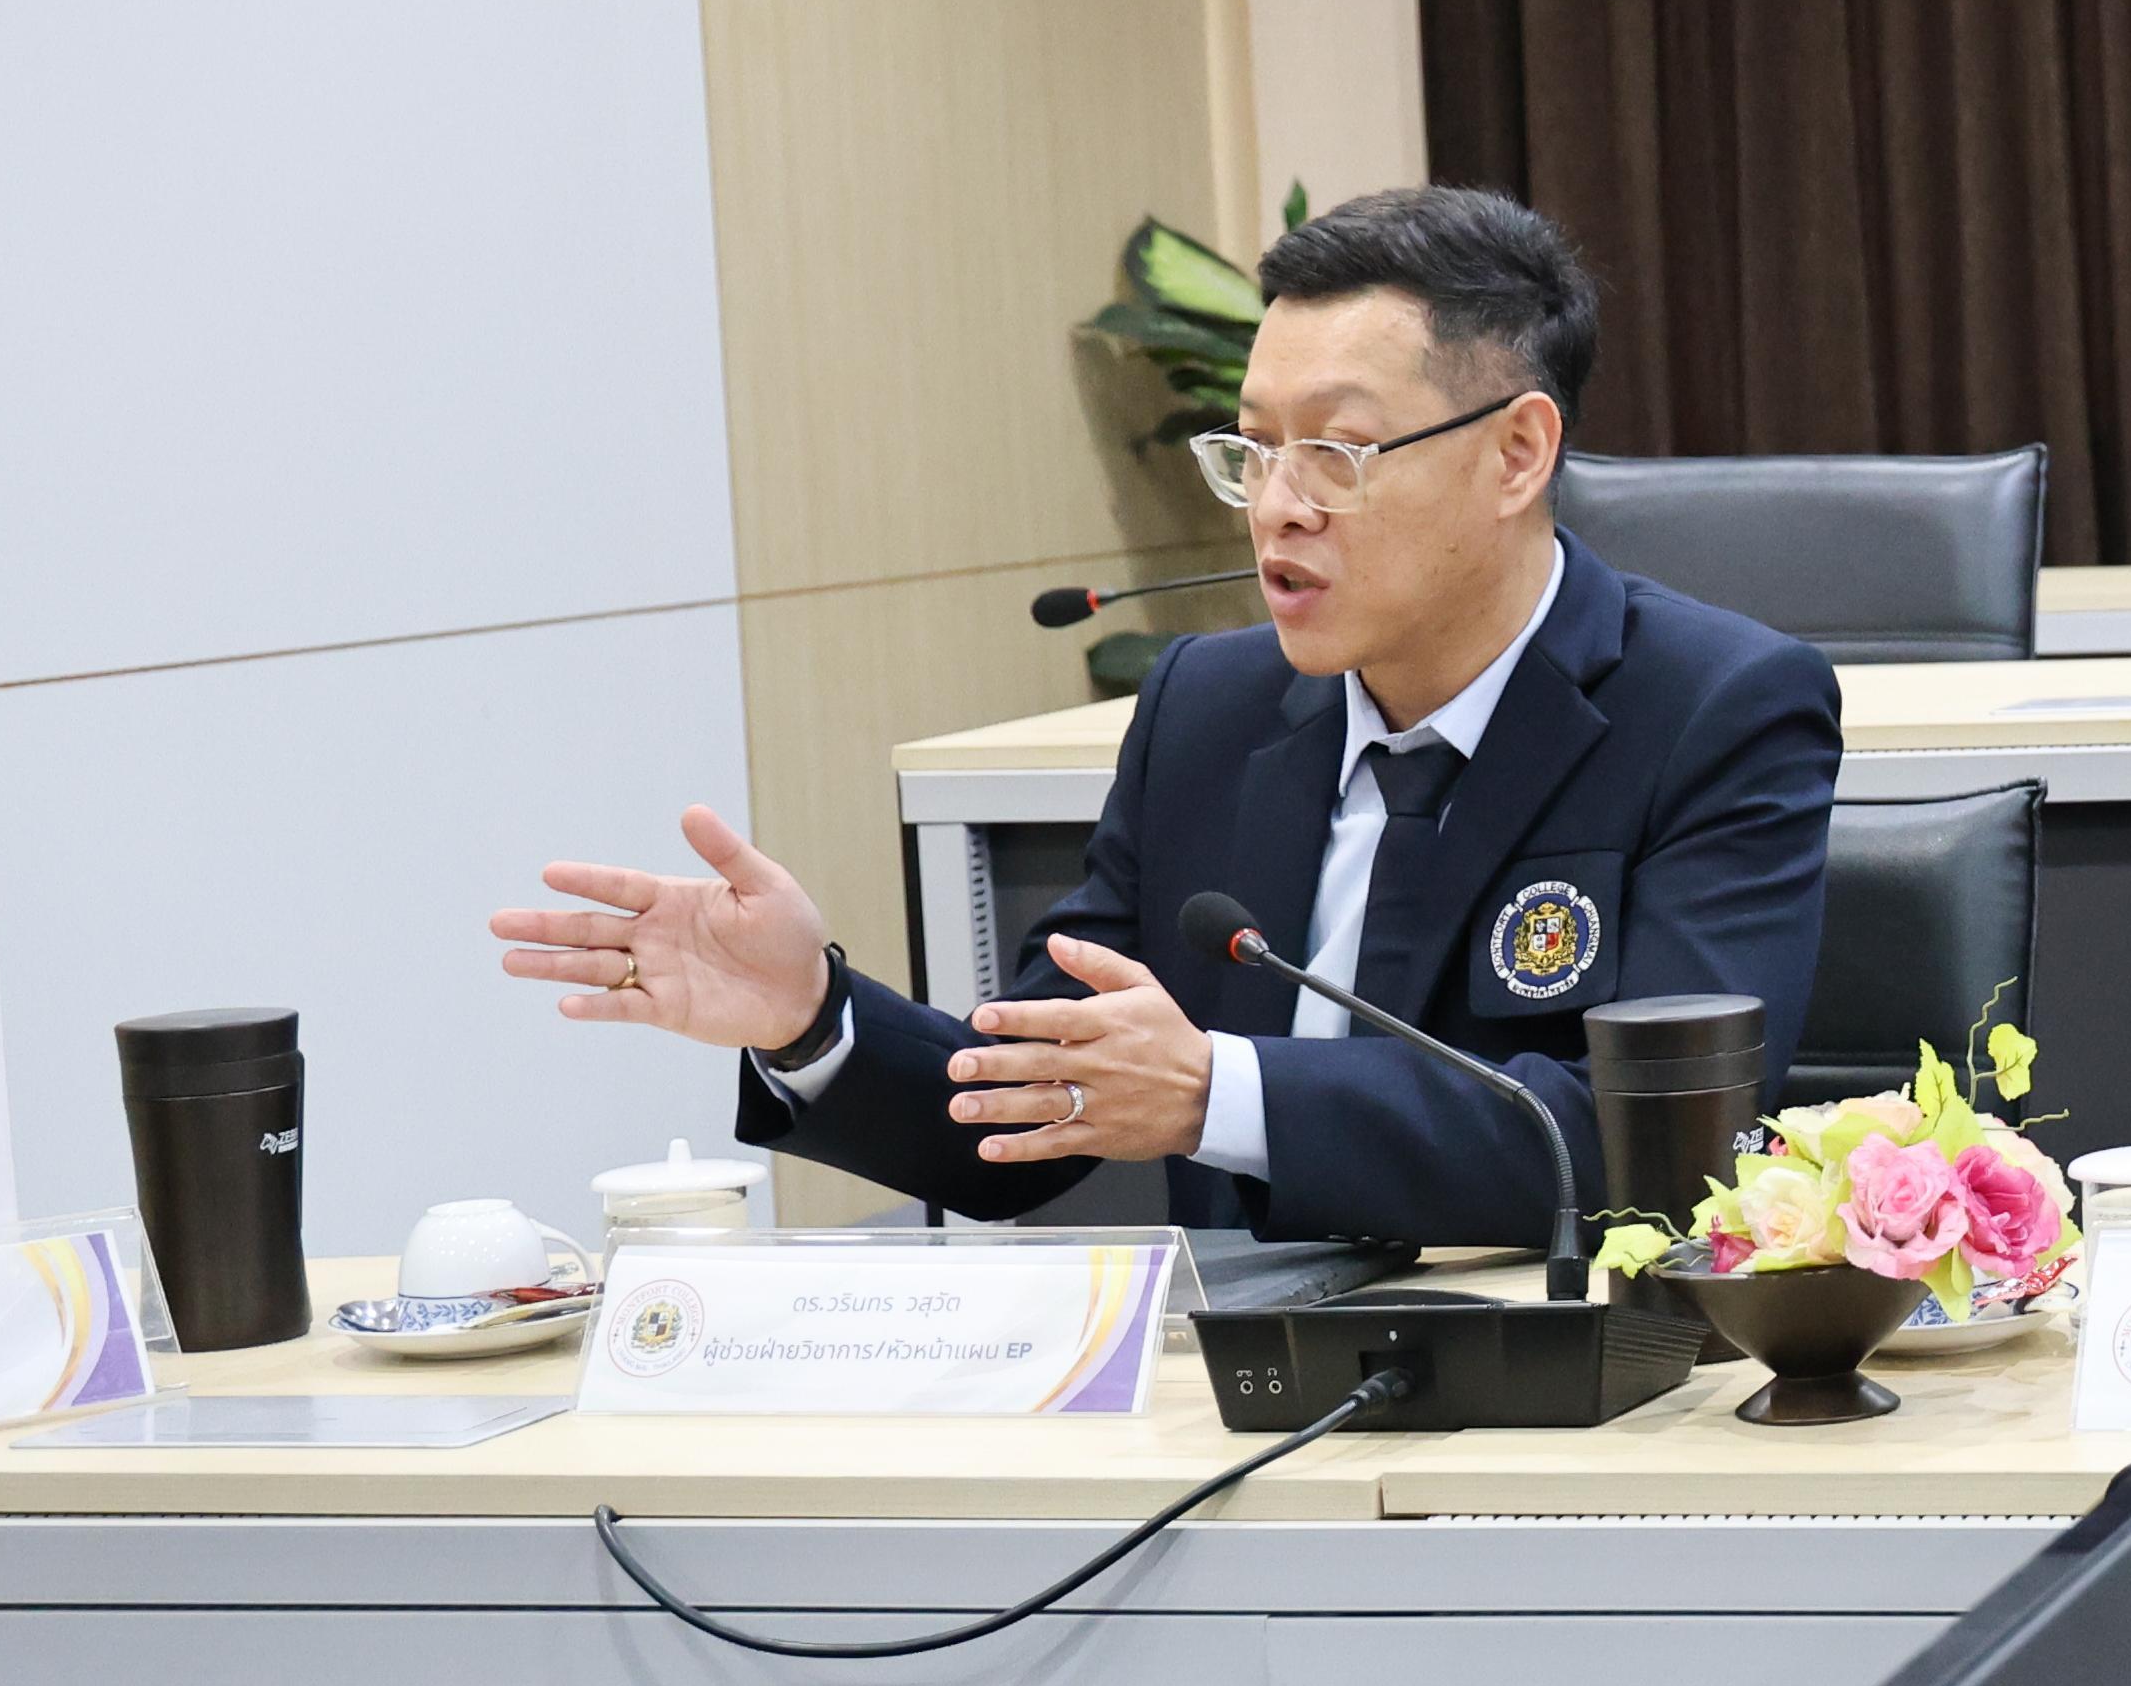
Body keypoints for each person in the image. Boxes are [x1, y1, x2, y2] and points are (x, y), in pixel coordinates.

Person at [493, 188, 1839, 1248]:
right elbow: (1020, 1117)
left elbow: (1653, 1154)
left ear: (1517, 453)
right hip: (1233, 1412)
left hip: (1573, 1398)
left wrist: (1217, 1094)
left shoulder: (1713, 709)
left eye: (1337, 452)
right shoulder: (1207, 709)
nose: (1279, 507)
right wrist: (811, 1017)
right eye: (1253, 450)